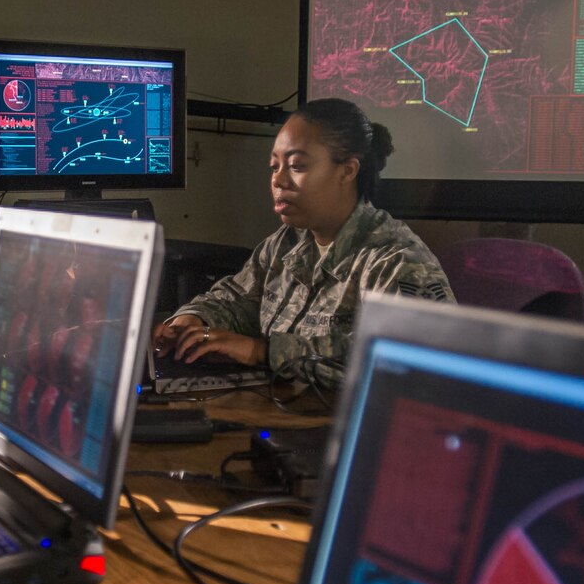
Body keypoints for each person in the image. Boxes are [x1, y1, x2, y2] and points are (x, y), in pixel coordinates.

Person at [152, 98, 454, 390]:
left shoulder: (397, 260)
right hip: (281, 419)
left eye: (296, 166)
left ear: (347, 170)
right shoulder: (285, 244)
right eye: (274, 167)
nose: (278, 181)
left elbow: (411, 364)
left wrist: (262, 351)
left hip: (345, 432)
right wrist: (190, 321)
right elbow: (236, 300)